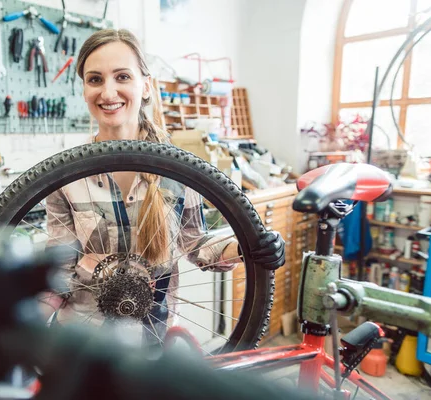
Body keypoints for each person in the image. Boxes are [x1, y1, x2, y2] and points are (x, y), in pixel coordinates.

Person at [38, 29, 284, 342]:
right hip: (82, 339)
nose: (108, 92)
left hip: (151, 336)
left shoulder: (180, 169)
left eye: (122, 77)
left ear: (145, 86)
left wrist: (248, 247)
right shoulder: (65, 173)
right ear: (85, 90)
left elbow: (194, 242)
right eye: (95, 79)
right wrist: (13, 326)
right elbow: (59, 267)